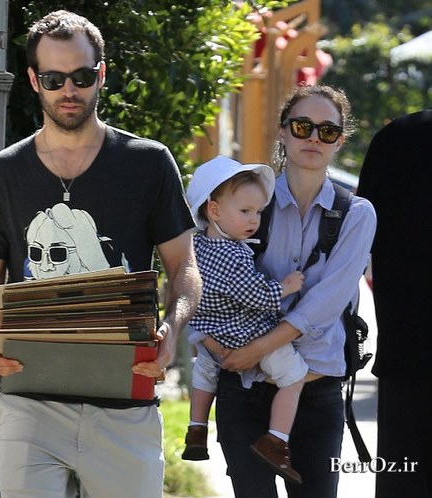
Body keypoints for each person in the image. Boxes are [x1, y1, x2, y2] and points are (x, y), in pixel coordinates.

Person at [0, 10, 201, 498]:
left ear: (102, 73)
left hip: (126, 404)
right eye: (54, 79)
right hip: (29, 401)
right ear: (34, 80)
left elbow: (184, 268)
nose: (68, 90)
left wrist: (171, 329)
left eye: (81, 76)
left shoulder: (148, 163)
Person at [210, 85, 376, 498]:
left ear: (340, 140)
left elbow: (326, 303)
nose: (314, 138)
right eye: (303, 126)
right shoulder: (246, 204)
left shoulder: (357, 214)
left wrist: (256, 348)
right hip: (245, 389)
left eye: (327, 130)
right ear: (283, 132)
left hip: (317, 395)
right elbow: (210, 276)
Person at [181, 156, 307, 484]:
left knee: (205, 372)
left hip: (209, 332)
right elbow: (255, 295)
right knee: (294, 376)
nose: (254, 220)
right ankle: (276, 440)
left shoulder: (196, 245)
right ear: (214, 210)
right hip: (245, 334)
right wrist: (285, 287)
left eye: (259, 212)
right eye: (245, 211)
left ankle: (196, 429)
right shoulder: (233, 253)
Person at [357, 109, 432, 498]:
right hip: (406, 360)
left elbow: (356, 246)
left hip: (406, 356)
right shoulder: (398, 138)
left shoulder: (397, 137)